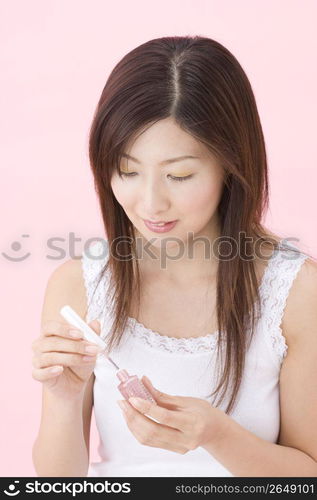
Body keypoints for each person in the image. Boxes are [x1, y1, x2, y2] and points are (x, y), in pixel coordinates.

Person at [31, 35, 317, 477]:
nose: (149, 204)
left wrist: (218, 436)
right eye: (127, 171)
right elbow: (56, 484)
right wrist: (63, 399)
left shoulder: (296, 293)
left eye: (179, 175)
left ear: (231, 164)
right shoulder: (79, 286)